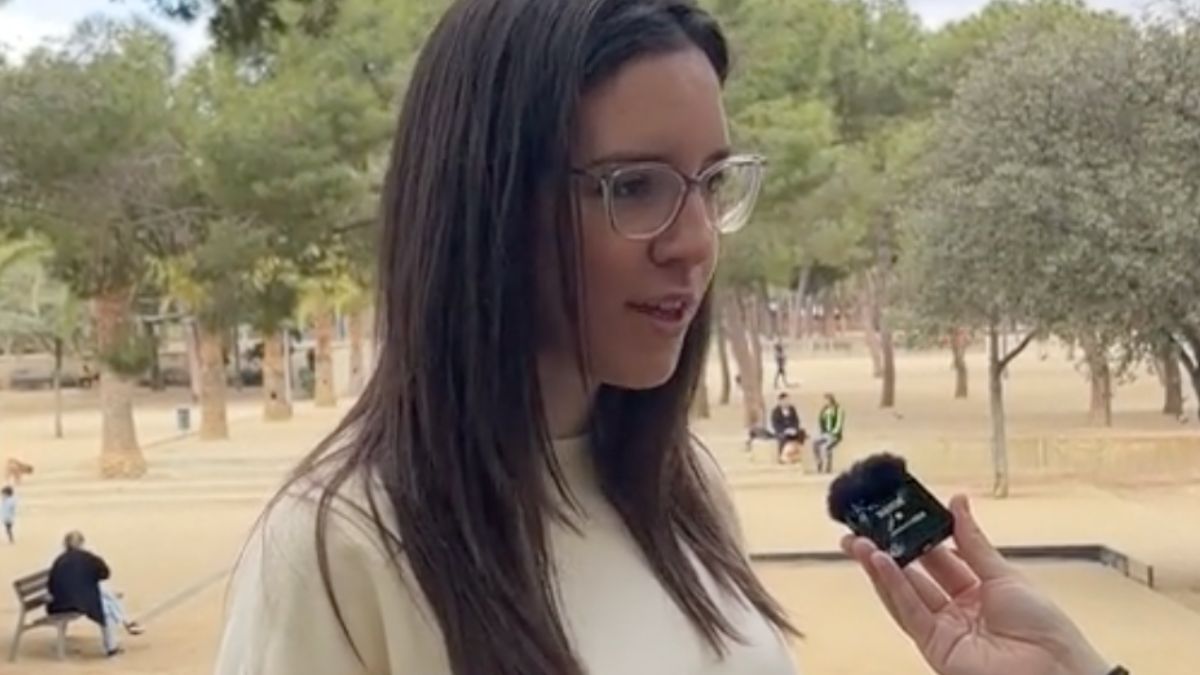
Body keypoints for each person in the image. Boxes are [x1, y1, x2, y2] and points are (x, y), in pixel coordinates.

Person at [214, 2, 1124, 675]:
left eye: (712, 181)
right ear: (487, 203)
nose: (693, 242)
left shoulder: (685, 491)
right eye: (636, 186)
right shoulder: (339, 554)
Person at [47, 531, 143, 657]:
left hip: (60, 601)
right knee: (106, 607)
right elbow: (105, 573)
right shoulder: (88, 558)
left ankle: (124, 620)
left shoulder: (59, 560)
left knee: (104, 594)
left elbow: (51, 585)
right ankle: (113, 644)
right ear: (82, 543)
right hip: (77, 602)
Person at [814, 393, 845, 474]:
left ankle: (828, 467)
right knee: (815, 443)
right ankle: (819, 461)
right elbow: (821, 423)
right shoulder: (824, 410)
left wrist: (832, 434)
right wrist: (823, 433)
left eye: (826, 400)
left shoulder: (838, 410)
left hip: (835, 435)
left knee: (826, 447)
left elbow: (839, 424)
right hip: (825, 434)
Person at [770, 392, 805, 464]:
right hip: (782, 431)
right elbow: (775, 424)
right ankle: (782, 457)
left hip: (792, 430)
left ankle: (798, 454)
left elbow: (796, 420)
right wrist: (785, 430)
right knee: (782, 438)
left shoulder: (792, 409)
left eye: (788, 400)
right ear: (780, 401)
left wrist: (794, 429)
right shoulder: (775, 411)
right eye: (785, 400)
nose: (787, 402)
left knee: (802, 433)